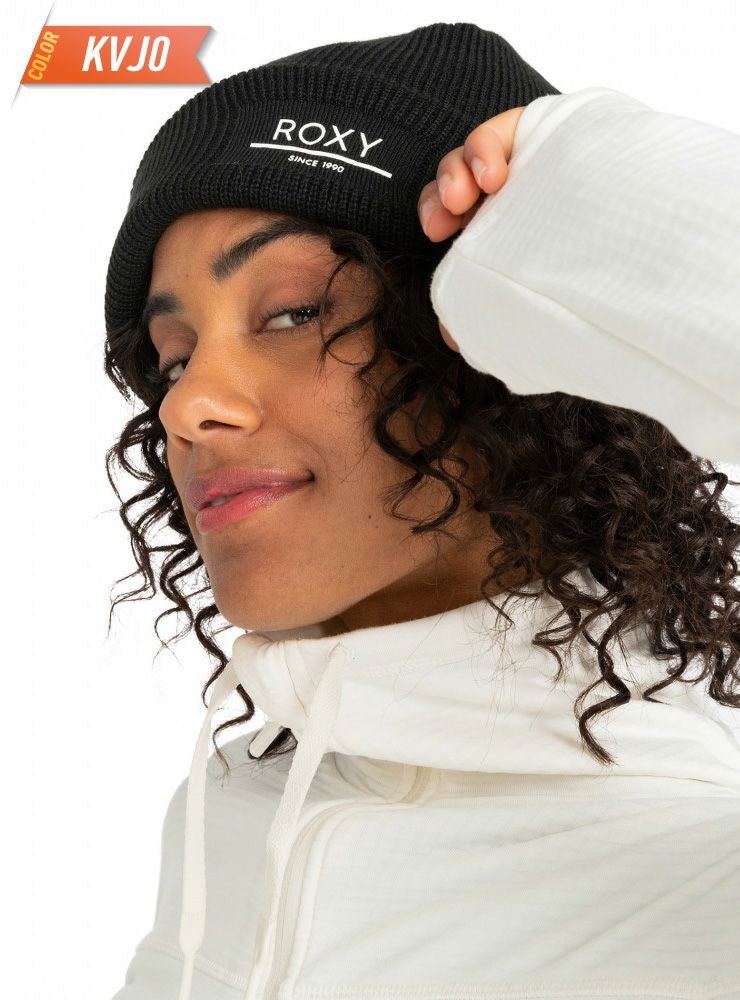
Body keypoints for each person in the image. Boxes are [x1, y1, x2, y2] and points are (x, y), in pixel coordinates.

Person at [104, 21, 740, 1000]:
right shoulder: (228, 817)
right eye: (173, 356)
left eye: (294, 312)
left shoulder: (699, 882)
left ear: (487, 345)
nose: (188, 406)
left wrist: (588, 180)